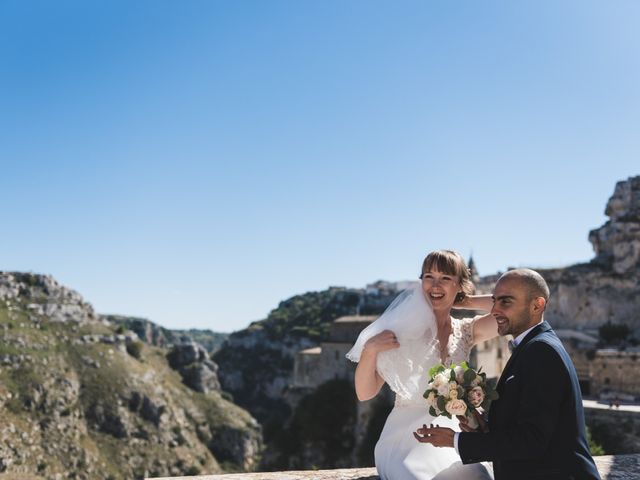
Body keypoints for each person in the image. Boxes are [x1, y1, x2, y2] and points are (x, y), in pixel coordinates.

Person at [414, 269, 601, 480]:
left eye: (505, 302)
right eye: (494, 301)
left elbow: (532, 440)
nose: (494, 310)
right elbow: (531, 422)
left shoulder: (542, 351)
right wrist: (486, 427)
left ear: (537, 305)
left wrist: (455, 440)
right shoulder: (532, 345)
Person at [347, 250, 498, 479]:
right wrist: (371, 350)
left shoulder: (467, 331)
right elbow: (364, 393)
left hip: (452, 438)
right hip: (406, 439)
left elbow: (514, 309)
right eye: (429, 277)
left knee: (479, 476)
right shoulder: (401, 333)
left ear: (460, 285)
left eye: (445, 278)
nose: (435, 285)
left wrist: (464, 300)